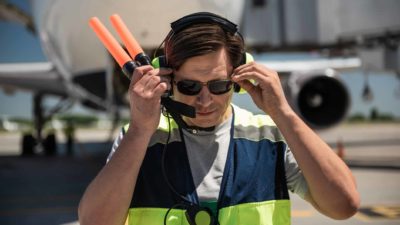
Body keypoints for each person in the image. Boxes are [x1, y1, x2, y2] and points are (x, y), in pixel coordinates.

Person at [78, 12, 359, 225]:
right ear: (167, 81)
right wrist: (140, 129)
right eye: (189, 86)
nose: (204, 100)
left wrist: (283, 113)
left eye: (218, 85)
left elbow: (343, 205)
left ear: (238, 80)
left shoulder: (269, 136)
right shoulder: (142, 138)